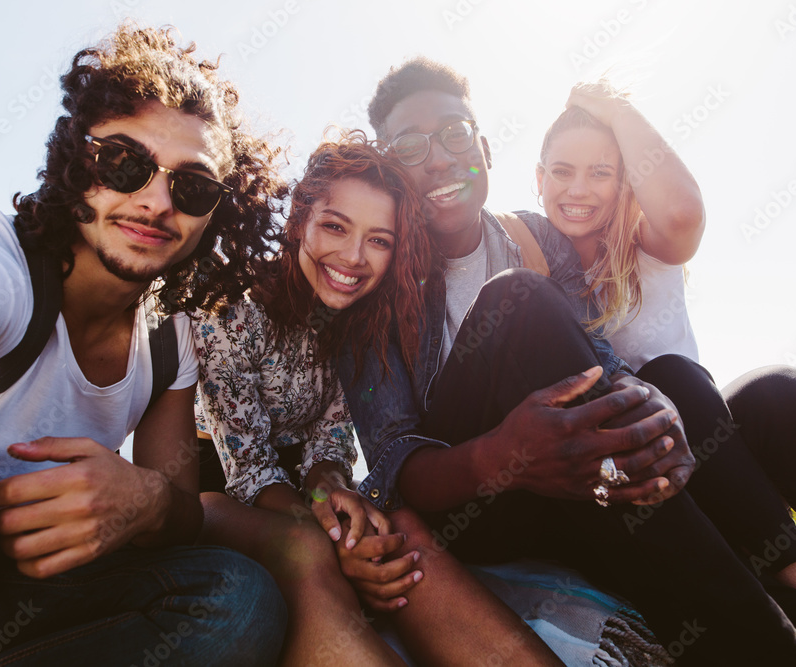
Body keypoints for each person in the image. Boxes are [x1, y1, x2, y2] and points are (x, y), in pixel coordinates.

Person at [337, 56, 796, 666]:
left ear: (485, 149)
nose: (438, 158)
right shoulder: (371, 279)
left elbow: (592, 356)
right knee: (516, 299)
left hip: (570, 478)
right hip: (474, 497)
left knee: (670, 380)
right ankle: (776, 654)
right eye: (410, 147)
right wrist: (506, 454)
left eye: (454, 133)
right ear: (389, 170)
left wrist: (643, 396)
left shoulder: (535, 236)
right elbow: (394, 460)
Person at [0, 25, 288, 665]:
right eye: (125, 163)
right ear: (78, 164)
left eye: (193, 187)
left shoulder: (170, 338)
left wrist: (148, 499)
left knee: (238, 597)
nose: (157, 201)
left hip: (20, 582)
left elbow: (180, 513)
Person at [534, 81, 796, 659]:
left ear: (626, 180)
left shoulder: (645, 245)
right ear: (539, 178)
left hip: (710, 443)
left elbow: (681, 208)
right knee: (667, 383)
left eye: (601, 172)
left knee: (783, 393)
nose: (578, 189)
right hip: (638, 484)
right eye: (562, 171)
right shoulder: (528, 255)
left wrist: (613, 106)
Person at [192, 132, 563, 666]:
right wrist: (338, 536)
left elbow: (330, 448)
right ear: (300, 222)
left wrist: (333, 501)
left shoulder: (363, 323)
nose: (353, 257)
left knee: (396, 528)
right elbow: (250, 473)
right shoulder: (232, 312)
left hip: (306, 488)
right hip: (223, 491)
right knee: (316, 549)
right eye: (335, 227)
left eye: (379, 240)